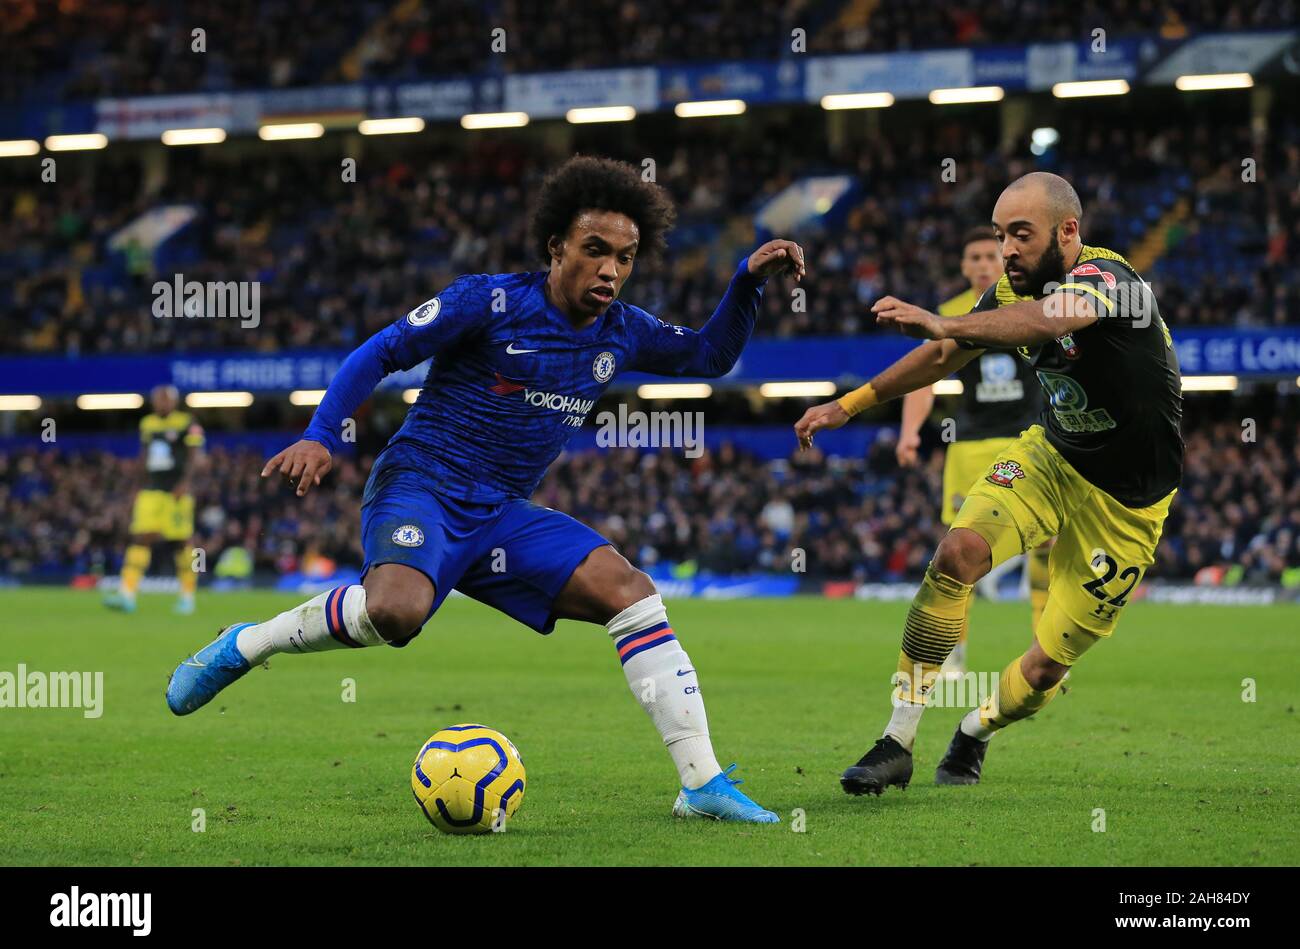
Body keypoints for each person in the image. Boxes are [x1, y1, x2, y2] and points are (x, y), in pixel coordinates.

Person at [166, 156, 805, 823]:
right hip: (424, 484)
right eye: (595, 251)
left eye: (626, 256)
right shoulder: (489, 301)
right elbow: (382, 352)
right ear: (556, 248)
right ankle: (249, 643)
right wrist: (324, 434)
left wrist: (746, 282)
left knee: (632, 593)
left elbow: (709, 357)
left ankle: (700, 782)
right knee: (397, 615)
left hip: (503, 513)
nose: (612, 270)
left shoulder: (623, 330)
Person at [795, 172, 1181, 793]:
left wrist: (946, 324)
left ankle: (976, 730)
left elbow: (1047, 322)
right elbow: (944, 357)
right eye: (1001, 236)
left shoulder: (1113, 282)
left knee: (1046, 667)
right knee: (958, 552)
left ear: (1069, 231)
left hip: (1128, 504)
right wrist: (851, 404)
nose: (1006, 251)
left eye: (1020, 235)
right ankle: (896, 739)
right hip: (1052, 457)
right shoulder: (1006, 289)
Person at [895, 226, 1048, 678]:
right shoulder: (945, 314)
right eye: (974, 257)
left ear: (1003, 260)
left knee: (1048, 543)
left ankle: (1045, 652)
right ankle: (952, 655)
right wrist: (909, 433)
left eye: (990, 256)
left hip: (1028, 441)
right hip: (968, 446)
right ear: (963, 267)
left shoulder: (1032, 303)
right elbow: (924, 376)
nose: (983, 264)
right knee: (956, 552)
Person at [105, 384, 204, 615]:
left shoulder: (187, 422)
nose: (161, 403)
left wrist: (186, 483)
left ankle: (187, 597)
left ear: (174, 401)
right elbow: (145, 456)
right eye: (158, 399)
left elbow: (194, 456)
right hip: (151, 490)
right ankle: (126, 595)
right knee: (140, 538)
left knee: (181, 542)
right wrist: (136, 486)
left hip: (176, 492)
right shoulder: (147, 423)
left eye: (165, 399)